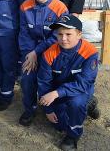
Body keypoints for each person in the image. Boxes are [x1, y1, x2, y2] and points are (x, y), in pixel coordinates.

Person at [38, 15, 100, 150]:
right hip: (58, 92)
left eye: (68, 34)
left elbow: (84, 83)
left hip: (79, 91)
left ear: (79, 34)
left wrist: (56, 93)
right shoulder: (49, 53)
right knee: (59, 125)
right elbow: (44, 82)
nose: (63, 38)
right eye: (60, 34)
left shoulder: (90, 52)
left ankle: (73, 135)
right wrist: (48, 109)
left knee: (76, 104)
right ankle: (86, 107)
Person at [18, 0, 68, 126]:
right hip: (30, 51)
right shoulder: (25, 6)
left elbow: (56, 37)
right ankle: (30, 108)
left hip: (52, 53)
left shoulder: (60, 8)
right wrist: (29, 55)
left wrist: (36, 52)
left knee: (51, 79)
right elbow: (24, 33)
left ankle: (52, 106)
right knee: (27, 77)